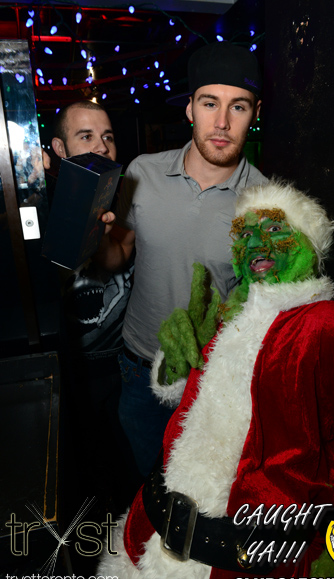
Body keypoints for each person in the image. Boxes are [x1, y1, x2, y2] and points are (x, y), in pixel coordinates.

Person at [96, 179, 334, 579]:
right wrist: (175, 362)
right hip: (146, 539)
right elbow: (185, 404)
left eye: (275, 229)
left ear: (309, 243)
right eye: (242, 234)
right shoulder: (227, 316)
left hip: (246, 576)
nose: (254, 243)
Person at [95, 42, 269, 478]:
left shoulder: (265, 202)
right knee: (148, 483)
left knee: (199, 492)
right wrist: (94, 237)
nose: (222, 122)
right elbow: (120, 254)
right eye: (210, 104)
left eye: (238, 107)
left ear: (255, 113)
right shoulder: (142, 172)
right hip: (138, 366)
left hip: (208, 379)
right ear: (190, 109)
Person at [49, 100, 136, 508]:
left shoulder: (124, 200)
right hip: (73, 373)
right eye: (86, 136)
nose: (102, 147)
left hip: (123, 366)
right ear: (60, 149)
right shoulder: (34, 206)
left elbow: (117, 257)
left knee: (131, 470)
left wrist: (99, 229)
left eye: (108, 137)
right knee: (88, 480)